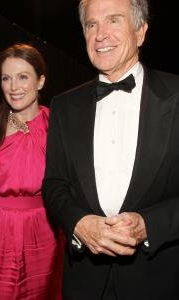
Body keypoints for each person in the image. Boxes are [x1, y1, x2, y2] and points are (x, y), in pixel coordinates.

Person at [42, 0, 179, 299]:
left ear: (141, 32)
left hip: (159, 280)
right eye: (92, 24)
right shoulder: (64, 106)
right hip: (84, 283)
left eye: (113, 20)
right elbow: (54, 185)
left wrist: (149, 226)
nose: (100, 34)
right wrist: (79, 223)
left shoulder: (177, 96)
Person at [0, 43, 61, 300]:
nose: (14, 87)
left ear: (41, 81)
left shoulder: (57, 124)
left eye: (23, 77)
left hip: (43, 230)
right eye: (6, 78)